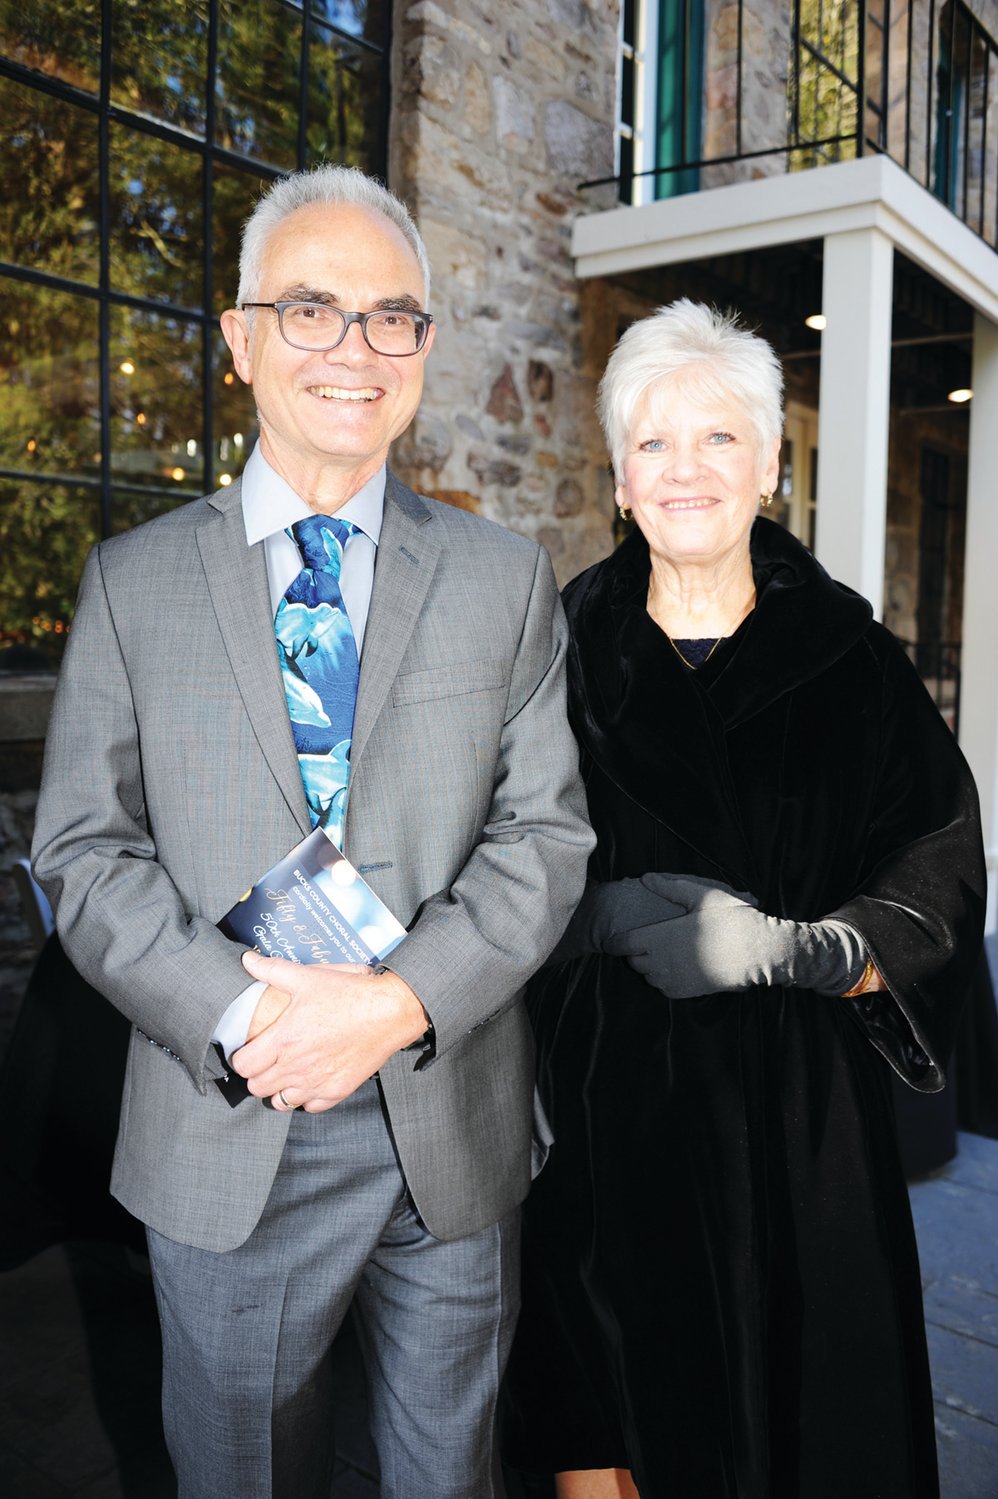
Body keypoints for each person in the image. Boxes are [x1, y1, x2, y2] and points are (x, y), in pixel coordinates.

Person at [31, 164, 594, 1499]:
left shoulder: (504, 577)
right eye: (309, 308)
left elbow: (545, 837)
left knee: (447, 1475)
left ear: (424, 351)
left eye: (390, 316)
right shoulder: (131, 586)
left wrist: (396, 999)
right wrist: (244, 1014)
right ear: (237, 339)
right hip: (228, 1113)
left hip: (444, 1127)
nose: (354, 347)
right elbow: (82, 852)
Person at [502, 300, 986, 1499]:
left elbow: (941, 857)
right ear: (618, 478)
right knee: (603, 1445)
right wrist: (591, 917)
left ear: (769, 464)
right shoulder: (554, 650)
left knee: (809, 1434)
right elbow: (487, 859)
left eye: (718, 439)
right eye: (654, 444)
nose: (686, 471)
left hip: (802, 1121)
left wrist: (811, 950)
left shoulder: (850, 658)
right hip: (604, 1118)